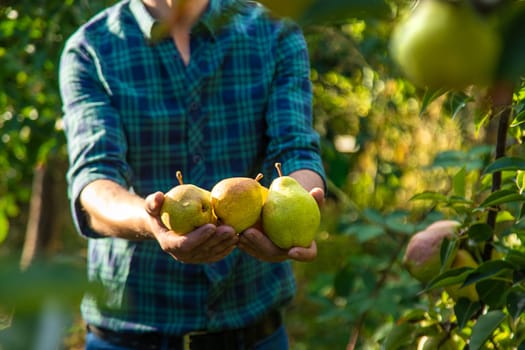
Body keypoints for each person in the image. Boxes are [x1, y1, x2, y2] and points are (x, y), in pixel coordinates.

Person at [59, 0, 326, 349]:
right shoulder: (91, 49)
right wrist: (151, 222)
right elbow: (93, 181)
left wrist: (295, 209)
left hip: (253, 328)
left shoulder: (275, 31)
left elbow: (295, 149)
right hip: (130, 329)